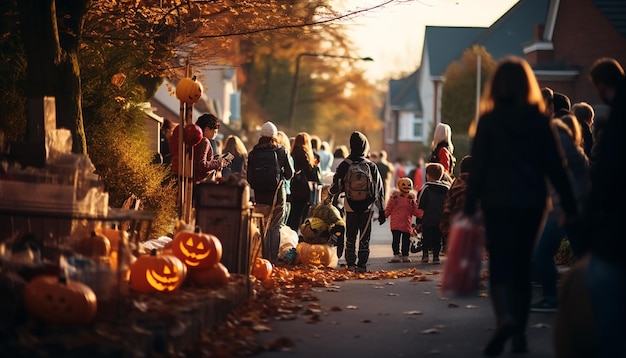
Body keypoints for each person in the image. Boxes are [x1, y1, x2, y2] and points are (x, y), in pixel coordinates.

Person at [462, 56, 578, 357]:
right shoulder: (539, 122)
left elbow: (479, 168)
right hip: (531, 201)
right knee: (522, 264)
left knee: (500, 263)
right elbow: (556, 166)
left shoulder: (488, 121)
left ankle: (505, 319)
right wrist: (569, 203)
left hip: (497, 201)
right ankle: (520, 336)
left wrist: (469, 204)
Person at [579, 57, 626, 358]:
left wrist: (590, 209)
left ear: (600, 85)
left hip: (616, 213)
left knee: (604, 277)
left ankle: (608, 344)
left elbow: (609, 168)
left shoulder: (618, 118)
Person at [530, 115, 589, 313]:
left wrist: (566, 207)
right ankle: (591, 296)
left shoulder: (559, 143)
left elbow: (565, 180)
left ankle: (550, 298)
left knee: (542, 253)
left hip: (561, 210)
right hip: (572, 209)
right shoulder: (577, 152)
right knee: (583, 257)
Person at [329, 131, 386, 273]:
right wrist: (382, 210)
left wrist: (331, 198)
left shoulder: (345, 164)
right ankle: (362, 265)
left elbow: (335, 186)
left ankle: (350, 263)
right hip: (367, 205)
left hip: (350, 204)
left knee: (351, 234)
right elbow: (379, 188)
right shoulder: (371, 165)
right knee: (364, 235)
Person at [247, 121, 294, 263]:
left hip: (260, 195)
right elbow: (289, 174)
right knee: (275, 227)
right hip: (277, 195)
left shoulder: (253, 153)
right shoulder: (281, 151)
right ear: (274, 136)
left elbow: (249, 177)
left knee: (262, 226)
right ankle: (272, 259)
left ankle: (262, 257)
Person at [169, 113, 229, 183]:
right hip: (196, 182)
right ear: (206, 129)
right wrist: (218, 163)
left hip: (181, 177)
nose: (215, 135)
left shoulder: (190, 137)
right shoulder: (204, 141)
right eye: (214, 132)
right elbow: (201, 165)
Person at [415, 162, 449, 264]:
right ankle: (436, 257)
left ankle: (425, 255)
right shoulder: (446, 188)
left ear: (427, 175)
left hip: (428, 218)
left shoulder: (426, 188)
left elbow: (420, 204)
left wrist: (419, 221)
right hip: (440, 218)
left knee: (426, 238)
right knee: (437, 238)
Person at [287, 132, 321, 232]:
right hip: (303, 190)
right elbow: (311, 175)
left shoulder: (291, 154)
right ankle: (296, 237)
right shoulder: (307, 155)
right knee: (300, 216)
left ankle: (290, 237)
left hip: (292, 188)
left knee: (292, 215)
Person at [384, 177, 420, 263]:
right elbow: (389, 207)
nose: (406, 186)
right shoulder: (395, 197)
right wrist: (384, 215)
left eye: (408, 185)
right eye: (403, 184)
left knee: (406, 240)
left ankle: (405, 255)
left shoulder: (411, 199)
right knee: (396, 240)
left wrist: (423, 215)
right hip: (396, 223)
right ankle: (396, 254)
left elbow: (415, 210)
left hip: (406, 223)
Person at [440, 155, 473, 241]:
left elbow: (447, 209)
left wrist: (447, 231)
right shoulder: (480, 186)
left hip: (456, 231)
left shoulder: (455, 185)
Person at [276, 130, 294, 226]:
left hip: (269, 190)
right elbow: (290, 175)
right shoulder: (288, 157)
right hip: (284, 191)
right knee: (281, 223)